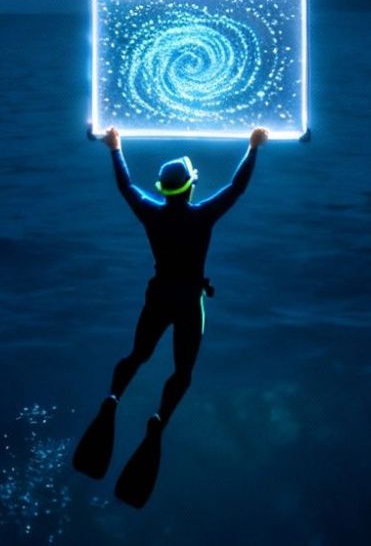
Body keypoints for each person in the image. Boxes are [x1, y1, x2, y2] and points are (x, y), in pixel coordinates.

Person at [72, 125, 268, 505]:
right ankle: (158, 421)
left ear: (165, 190)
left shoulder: (151, 215)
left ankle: (113, 397)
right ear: (191, 187)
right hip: (187, 301)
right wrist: (253, 147)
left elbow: (126, 188)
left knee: (137, 355)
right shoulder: (202, 217)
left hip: (158, 296)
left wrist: (115, 149)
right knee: (182, 372)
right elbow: (237, 187)